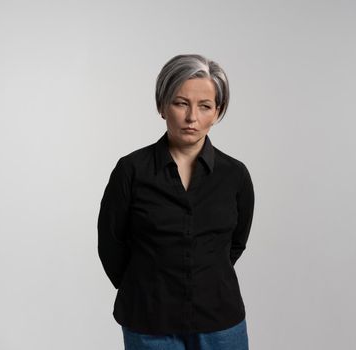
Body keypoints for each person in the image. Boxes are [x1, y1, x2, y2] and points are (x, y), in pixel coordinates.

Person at [97, 54, 255, 350]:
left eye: (205, 106)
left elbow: (235, 244)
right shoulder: (130, 171)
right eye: (181, 103)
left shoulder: (235, 175)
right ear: (162, 106)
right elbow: (110, 244)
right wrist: (146, 286)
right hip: (148, 322)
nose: (192, 117)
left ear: (218, 112)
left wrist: (204, 278)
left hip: (220, 323)